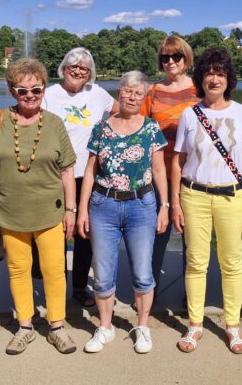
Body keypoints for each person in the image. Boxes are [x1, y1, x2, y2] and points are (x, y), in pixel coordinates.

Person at [0, 58, 78, 355]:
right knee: (18, 269)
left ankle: (57, 326)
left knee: (54, 270)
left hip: (49, 212)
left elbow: (67, 170)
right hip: (9, 212)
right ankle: (25, 326)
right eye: (22, 90)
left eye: (36, 89)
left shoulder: (55, 123)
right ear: (12, 90)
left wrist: (71, 210)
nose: (30, 95)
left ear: (44, 89)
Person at [170, 48, 242, 354]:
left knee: (231, 263)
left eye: (220, 73)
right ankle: (195, 324)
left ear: (228, 79)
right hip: (194, 194)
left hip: (231, 196)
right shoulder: (189, 113)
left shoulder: (241, 113)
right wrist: (175, 201)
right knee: (196, 262)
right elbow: (178, 160)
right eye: (209, 73)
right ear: (201, 78)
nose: (214, 79)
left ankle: (232, 326)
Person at [77, 71, 169, 354]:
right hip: (103, 206)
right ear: (119, 92)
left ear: (144, 98)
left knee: (142, 273)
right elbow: (90, 171)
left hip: (142, 206)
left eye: (138, 93)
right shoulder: (102, 128)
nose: (132, 96)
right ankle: (105, 328)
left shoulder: (151, 128)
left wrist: (164, 206)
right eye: (127, 91)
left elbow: (159, 170)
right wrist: (82, 210)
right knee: (103, 274)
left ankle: (142, 326)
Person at [43, 47, 117, 308]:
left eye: (83, 68)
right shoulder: (48, 94)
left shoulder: (96, 94)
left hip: (87, 175)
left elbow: (120, 112)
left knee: (85, 233)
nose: (77, 71)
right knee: (56, 234)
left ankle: (78, 287)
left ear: (90, 73)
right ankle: (56, 288)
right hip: (54, 175)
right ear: (64, 68)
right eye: (73, 66)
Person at [140, 36, 199, 298]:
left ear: (187, 59)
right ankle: (148, 290)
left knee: (192, 237)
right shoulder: (153, 92)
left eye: (177, 56)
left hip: (193, 174)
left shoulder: (201, 90)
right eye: (165, 57)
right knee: (157, 232)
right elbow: (140, 131)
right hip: (159, 176)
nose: (171, 62)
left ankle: (191, 295)